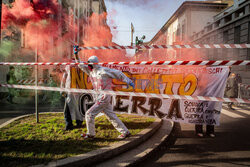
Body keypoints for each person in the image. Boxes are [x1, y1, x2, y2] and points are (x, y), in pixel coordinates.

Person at [76, 55, 135, 139]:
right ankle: (125, 132)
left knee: (89, 113)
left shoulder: (103, 70)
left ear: (94, 63)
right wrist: (76, 55)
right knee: (111, 116)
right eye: (88, 63)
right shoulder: (91, 71)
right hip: (99, 96)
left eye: (89, 63)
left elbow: (118, 73)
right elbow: (80, 65)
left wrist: (128, 81)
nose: (88, 65)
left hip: (104, 97)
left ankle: (91, 134)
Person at [60, 63, 83, 130]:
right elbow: (63, 80)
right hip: (70, 92)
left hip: (77, 92)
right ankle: (70, 124)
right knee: (68, 109)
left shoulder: (80, 68)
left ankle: (74, 124)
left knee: (75, 109)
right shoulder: (69, 67)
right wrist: (62, 90)